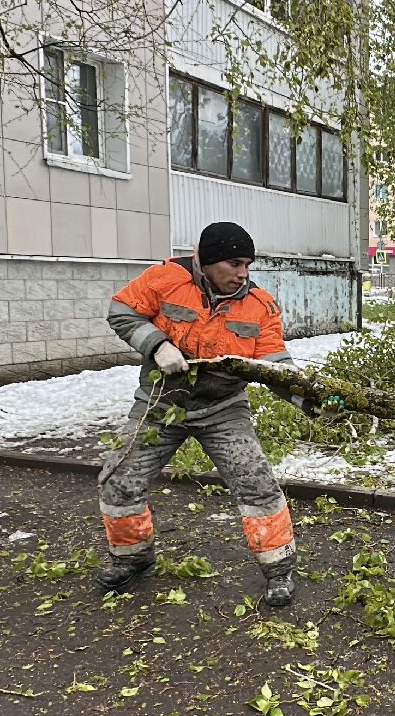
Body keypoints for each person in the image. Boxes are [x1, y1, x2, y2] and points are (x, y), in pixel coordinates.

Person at [94, 221, 312, 606]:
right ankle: (132, 560)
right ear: (208, 262)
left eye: (247, 264)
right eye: (234, 264)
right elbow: (121, 311)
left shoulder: (260, 305)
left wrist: (309, 400)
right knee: (119, 479)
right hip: (160, 405)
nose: (243, 273)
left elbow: (275, 365)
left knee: (256, 482)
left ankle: (279, 569)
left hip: (224, 409)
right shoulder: (165, 280)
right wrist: (157, 345)